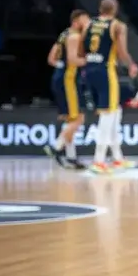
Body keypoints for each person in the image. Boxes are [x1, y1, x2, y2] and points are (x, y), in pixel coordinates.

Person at [83, 0, 138, 174]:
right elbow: (122, 51)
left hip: (89, 69)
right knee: (108, 114)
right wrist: (131, 64)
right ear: (114, 9)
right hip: (105, 71)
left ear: (100, 9)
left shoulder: (89, 24)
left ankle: (117, 158)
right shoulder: (118, 26)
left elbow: (82, 46)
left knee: (116, 111)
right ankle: (98, 160)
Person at [45, 9, 89, 170]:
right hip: (68, 80)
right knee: (79, 119)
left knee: (71, 120)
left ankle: (71, 157)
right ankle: (56, 147)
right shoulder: (74, 36)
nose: (88, 24)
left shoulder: (64, 34)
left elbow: (51, 59)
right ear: (76, 21)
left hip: (61, 77)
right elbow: (72, 60)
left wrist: (60, 65)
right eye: (85, 20)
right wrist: (91, 60)